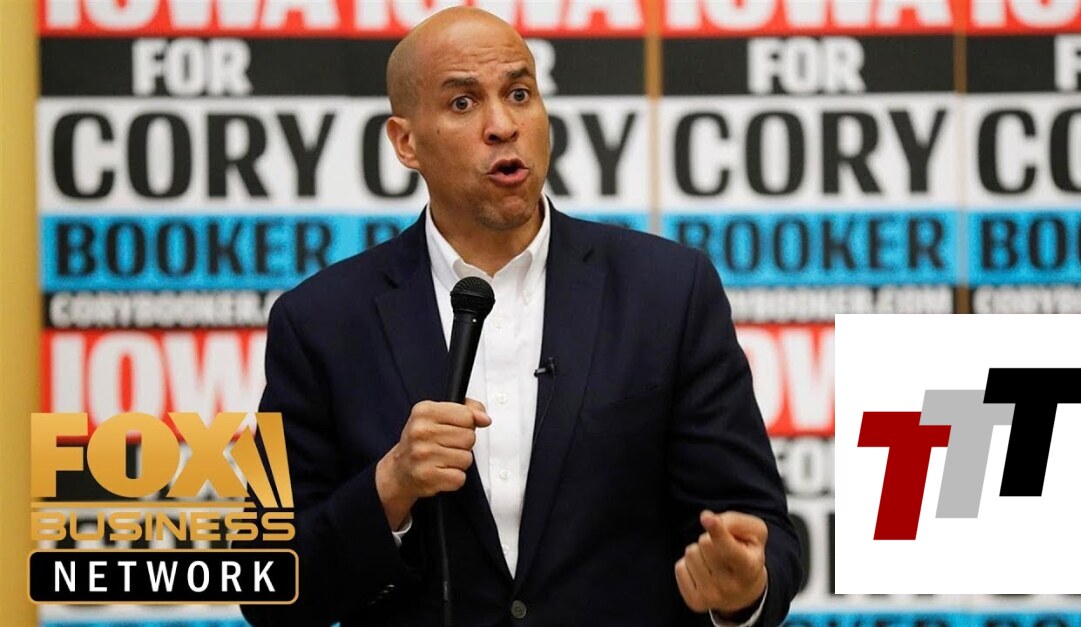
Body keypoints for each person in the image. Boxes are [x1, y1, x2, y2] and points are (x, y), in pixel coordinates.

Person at [240, 7, 801, 626]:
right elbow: (266, 583)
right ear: (406, 142)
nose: (503, 125)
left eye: (519, 93)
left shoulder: (666, 292)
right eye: (462, 103)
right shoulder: (320, 322)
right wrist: (389, 487)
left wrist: (743, 589)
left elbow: (761, 533)